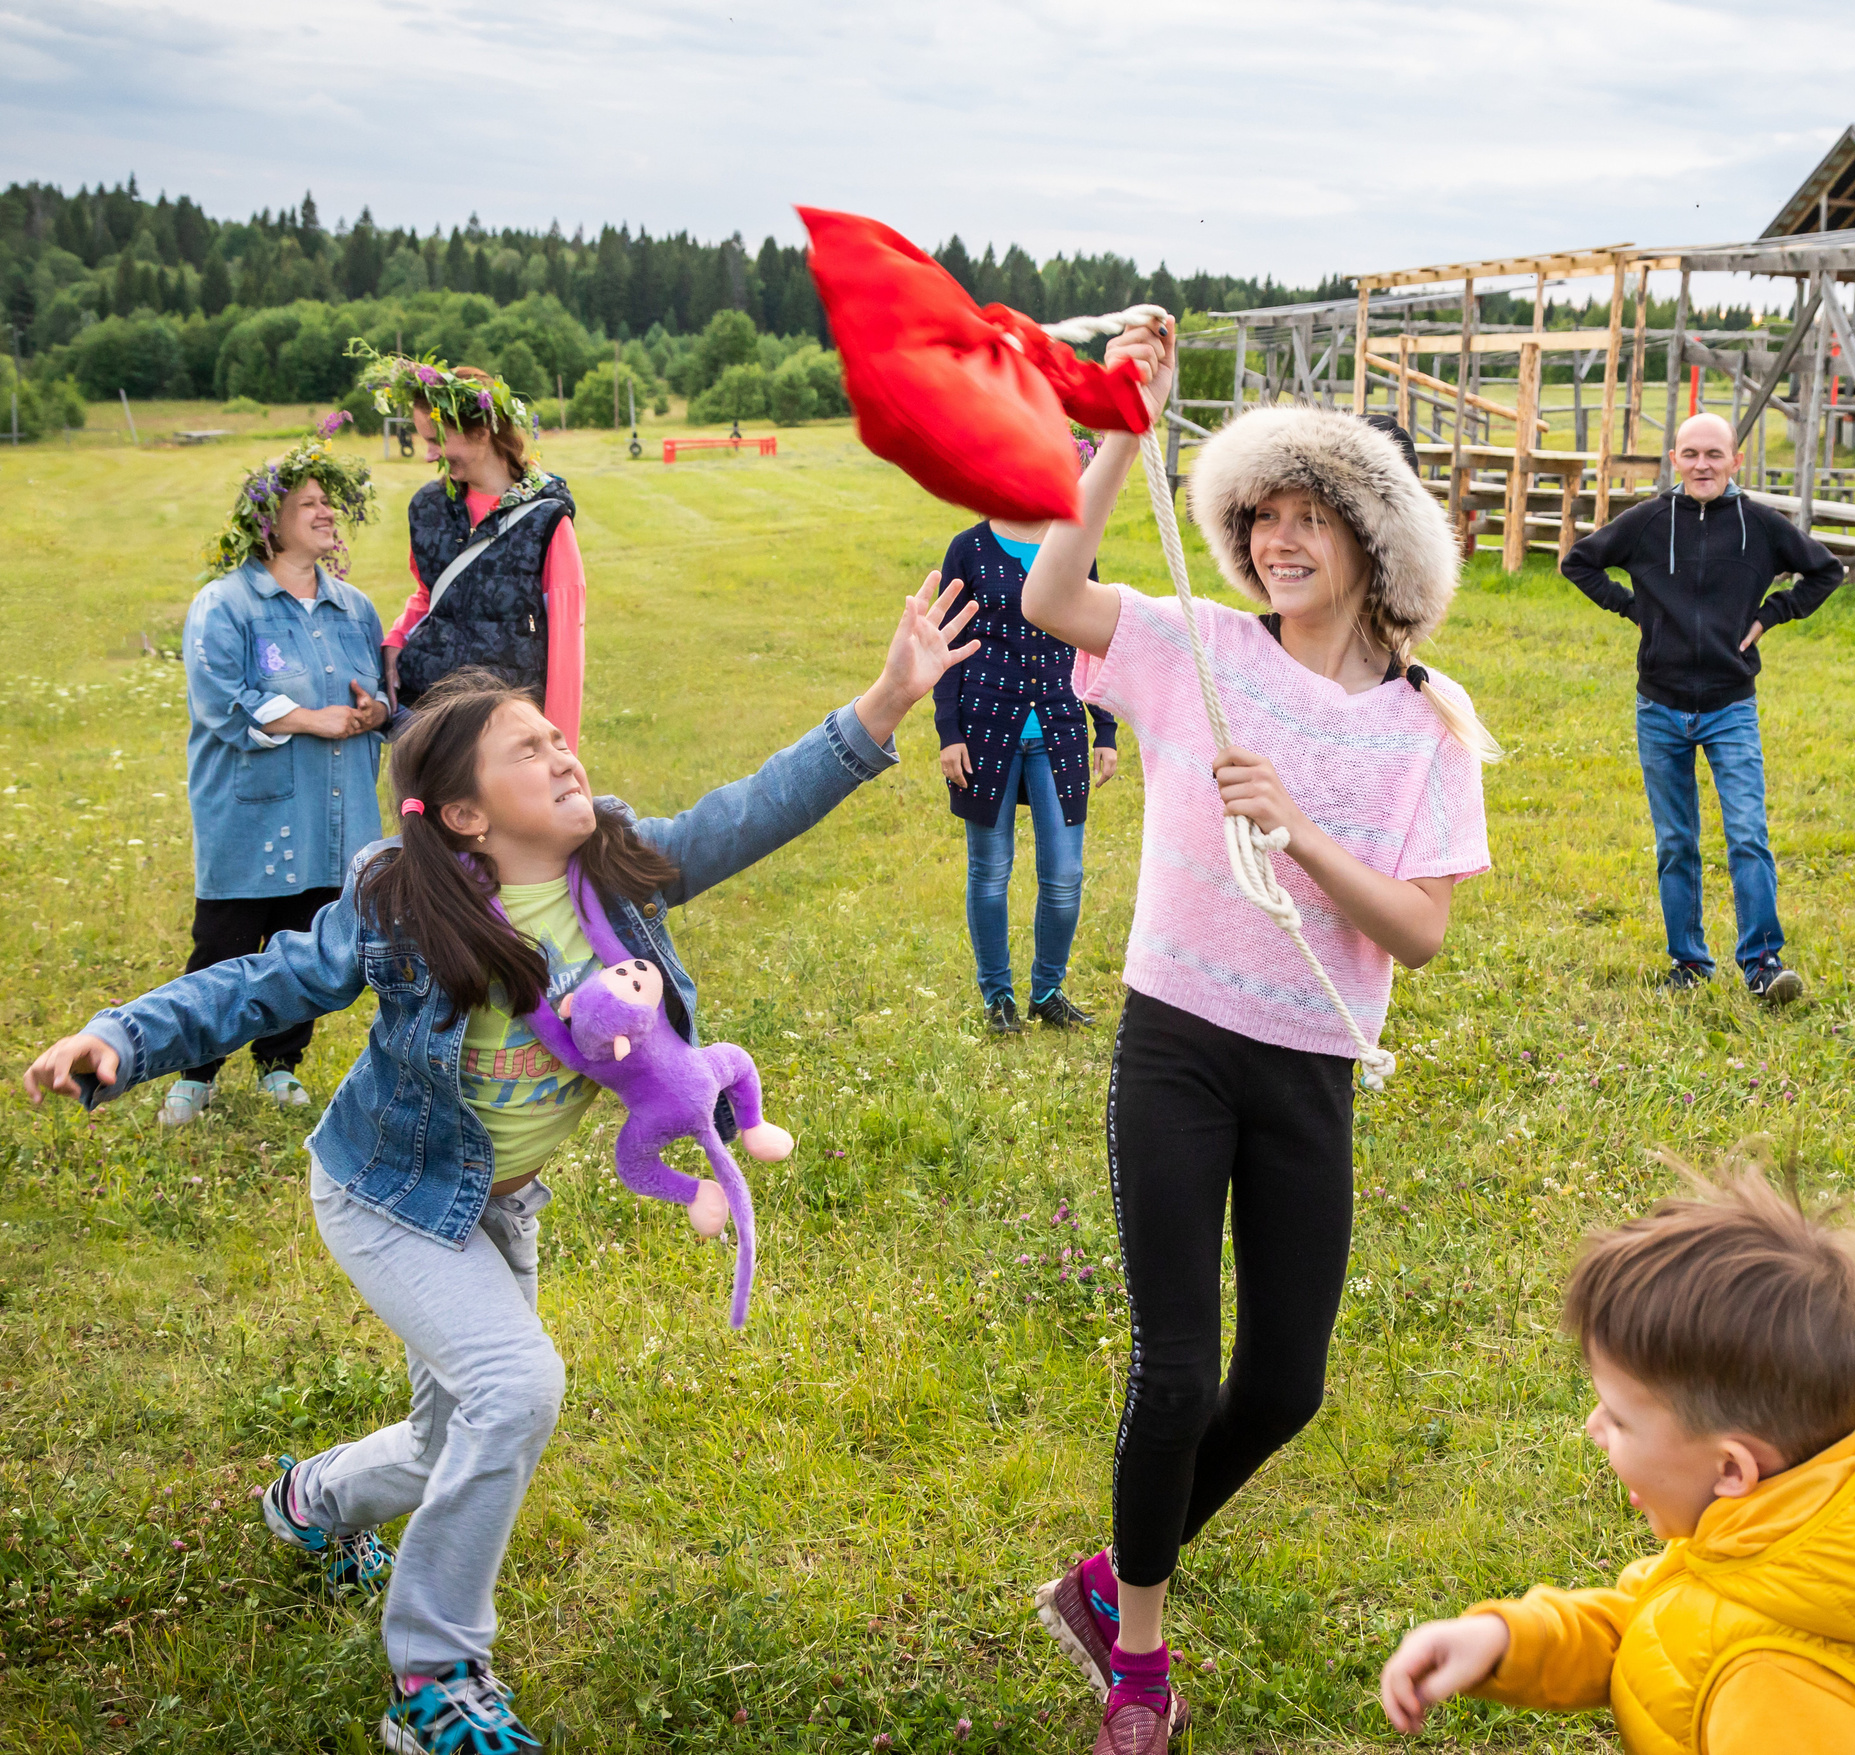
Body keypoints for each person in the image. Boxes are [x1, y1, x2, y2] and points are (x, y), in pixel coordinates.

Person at [21, 581, 980, 1755]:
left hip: (495, 1207)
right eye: (529, 750)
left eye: (557, 735)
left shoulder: (615, 873)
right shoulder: (401, 898)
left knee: (445, 1442)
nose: (562, 753)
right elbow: (258, 983)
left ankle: (307, 1503)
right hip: (386, 1200)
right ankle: (434, 1677)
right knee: (517, 1390)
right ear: (468, 815)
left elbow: (749, 810)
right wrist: (123, 1034)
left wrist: (887, 698)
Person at [1018, 325, 1494, 1755]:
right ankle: (1142, 1660)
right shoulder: (1196, 650)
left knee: (1285, 1378)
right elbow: (1052, 592)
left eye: (1308, 518)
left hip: (1311, 1064)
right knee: (1176, 1369)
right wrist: (1120, 431)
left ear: (1371, 541)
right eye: (1260, 518)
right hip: (1176, 1039)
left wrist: (1298, 828)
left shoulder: (1430, 727)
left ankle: (1110, 1575)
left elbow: (1417, 930)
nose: (1279, 541)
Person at [1377, 1161, 1855, 1754]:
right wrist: (1507, 1640)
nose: (1592, 1427)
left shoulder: (1781, 1690)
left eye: (1617, 1416)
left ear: (1732, 1468)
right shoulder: (1819, 1519)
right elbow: (1661, 1626)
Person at [1560, 413, 1842, 1000]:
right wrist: (1635, 610)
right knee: (1675, 841)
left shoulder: (1761, 527)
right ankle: (1689, 964)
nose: (1702, 465)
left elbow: (1826, 571)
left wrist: (1771, 614)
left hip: (1729, 704)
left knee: (1747, 833)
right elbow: (1578, 561)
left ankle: (1763, 964)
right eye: (1690, 454)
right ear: (1674, 459)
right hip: (1658, 706)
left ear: (1736, 460)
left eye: (1715, 454)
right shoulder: (1647, 521)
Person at [162, 427, 389, 1126]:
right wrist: (316, 719)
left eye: (329, 504)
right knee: (223, 948)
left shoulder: (354, 607)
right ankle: (195, 1073)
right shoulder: (226, 605)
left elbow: (381, 693)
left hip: (335, 814)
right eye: (309, 503)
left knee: (306, 945)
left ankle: (280, 1064)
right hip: (251, 816)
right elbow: (222, 700)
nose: (326, 513)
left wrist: (373, 708)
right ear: (269, 523)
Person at [934, 475, 1121, 1035]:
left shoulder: (1072, 545)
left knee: (1064, 875)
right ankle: (998, 999)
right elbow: (945, 644)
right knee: (989, 873)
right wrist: (949, 733)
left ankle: (1048, 991)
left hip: (1060, 728)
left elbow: (1093, 636)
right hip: (985, 728)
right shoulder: (968, 549)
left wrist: (1105, 729)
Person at [351, 343, 588, 750]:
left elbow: (567, 643)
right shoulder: (427, 506)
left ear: (481, 432)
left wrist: (560, 751)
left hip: (502, 729)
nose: (428, 456)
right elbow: (428, 594)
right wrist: (395, 640)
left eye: (435, 441)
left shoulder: (547, 519)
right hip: (426, 717)